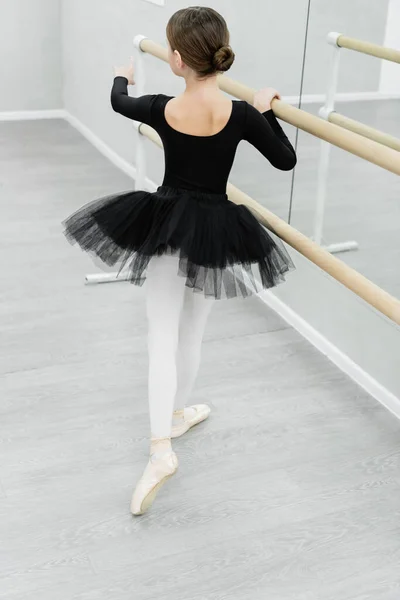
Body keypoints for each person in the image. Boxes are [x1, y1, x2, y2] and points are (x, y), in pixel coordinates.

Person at [63, 6, 297, 516]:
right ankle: (172, 417)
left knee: (160, 338)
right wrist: (267, 109)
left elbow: (118, 100)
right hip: (214, 230)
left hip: (166, 223)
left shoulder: (162, 107)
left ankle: (160, 449)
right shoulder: (241, 115)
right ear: (221, 54)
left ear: (175, 60)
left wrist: (120, 74)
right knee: (192, 333)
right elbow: (285, 159)